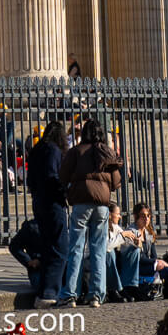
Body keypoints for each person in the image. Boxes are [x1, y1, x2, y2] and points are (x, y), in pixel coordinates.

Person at [56, 116, 121, 308]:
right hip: (102, 204)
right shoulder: (107, 152)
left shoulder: (77, 151)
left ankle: (70, 294)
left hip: (81, 202)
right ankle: (96, 295)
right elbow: (117, 182)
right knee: (98, 249)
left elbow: (63, 175)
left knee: (75, 248)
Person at [25, 121, 69, 304]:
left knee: (48, 248)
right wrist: (64, 191)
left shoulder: (37, 150)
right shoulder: (53, 150)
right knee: (59, 248)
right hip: (52, 202)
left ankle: (43, 292)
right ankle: (50, 293)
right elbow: (52, 176)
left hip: (39, 201)